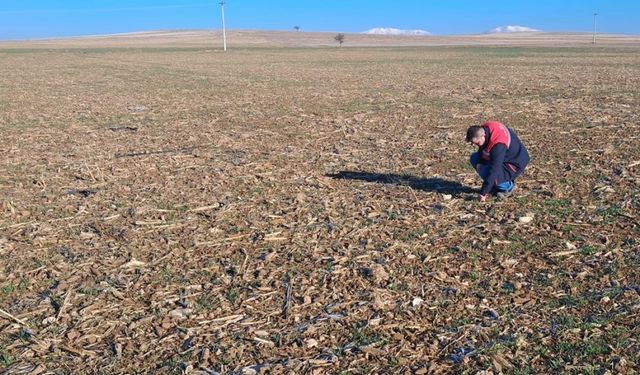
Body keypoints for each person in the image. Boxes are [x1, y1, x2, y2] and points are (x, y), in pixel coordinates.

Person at [466, 121, 529, 202]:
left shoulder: (498, 145)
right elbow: (482, 150)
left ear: (483, 135)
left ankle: (508, 186)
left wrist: (483, 193)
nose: (477, 145)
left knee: (489, 174)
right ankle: (492, 184)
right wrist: (479, 162)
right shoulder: (486, 129)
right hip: (503, 156)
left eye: (477, 143)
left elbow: (494, 170)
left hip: (515, 161)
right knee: (475, 158)